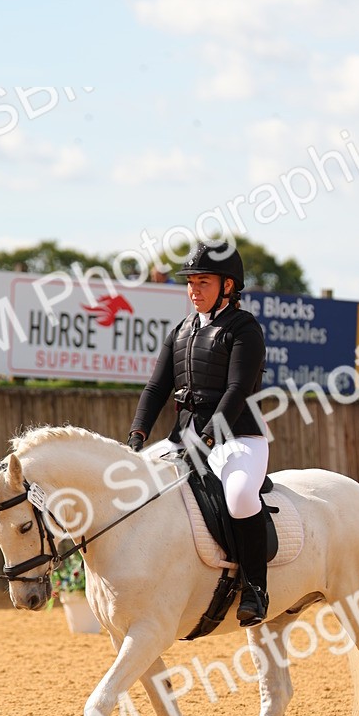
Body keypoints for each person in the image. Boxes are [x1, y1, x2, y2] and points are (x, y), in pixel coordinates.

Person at [128, 241, 269, 626]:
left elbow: (237, 391)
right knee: (134, 486)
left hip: (236, 438)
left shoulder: (244, 329)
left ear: (227, 286)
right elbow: (156, 389)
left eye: (202, 282)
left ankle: (256, 588)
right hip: (183, 438)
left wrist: (208, 438)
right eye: (190, 282)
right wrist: (137, 435)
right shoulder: (182, 330)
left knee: (240, 497)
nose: (193, 290)